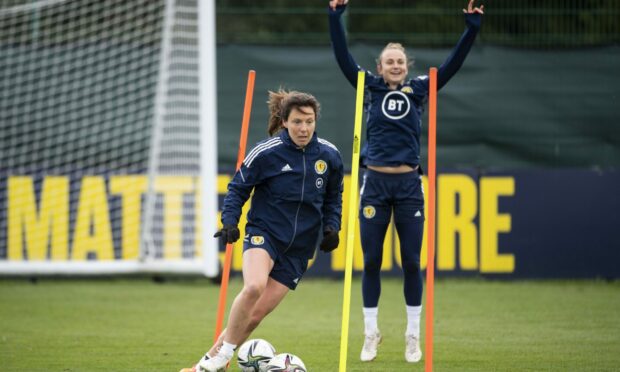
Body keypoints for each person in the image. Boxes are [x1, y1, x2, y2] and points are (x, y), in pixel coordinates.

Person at [328, 0, 484, 363]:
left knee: (412, 262)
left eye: (400, 60)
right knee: (371, 261)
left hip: (410, 186)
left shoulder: (419, 89)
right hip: (375, 185)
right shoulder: (369, 87)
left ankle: (413, 335)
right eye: (389, 61)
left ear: (406, 66)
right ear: (380, 67)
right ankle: (371, 334)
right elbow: (342, 58)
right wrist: (335, 17)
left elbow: (452, 66)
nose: (395, 65)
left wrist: (471, 28)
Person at [188, 89, 344, 372]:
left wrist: (333, 226)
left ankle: (205, 365)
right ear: (284, 121)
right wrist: (230, 222)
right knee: (254, 287)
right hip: (265, 233)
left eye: (309, 121)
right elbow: (238, 188)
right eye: (297, 121)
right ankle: (219, 360)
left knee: (256, 314)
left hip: (300, 249)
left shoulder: (330, 155)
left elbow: (334, 196)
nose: (304, 128)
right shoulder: (266, 152)